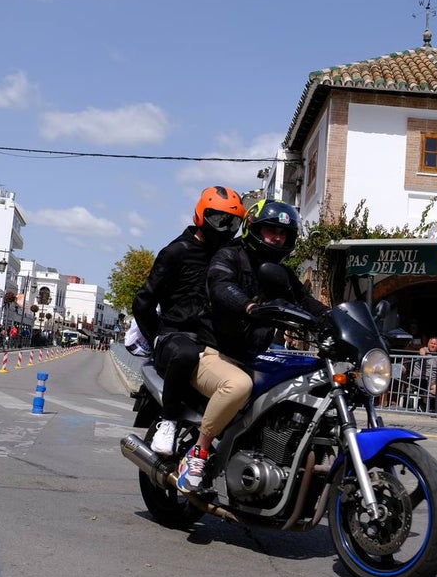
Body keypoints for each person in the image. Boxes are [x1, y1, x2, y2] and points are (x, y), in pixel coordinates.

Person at [204, 199, 329, 490]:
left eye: (283, 233)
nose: (277, 237)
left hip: (253, 355)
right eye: (271, 229)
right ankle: (200, 451)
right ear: (253, 229)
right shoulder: (230, 255)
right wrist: (248, 306)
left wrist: (339, 318)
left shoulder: (279, 272)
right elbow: (220, 285)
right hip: (217, 351)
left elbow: (305, 301)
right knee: (239, 387)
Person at [131, 185, 250, 484]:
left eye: (232, 223)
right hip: (176, 335)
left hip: (212, 339)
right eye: (218, 219)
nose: (224, 228)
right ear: (201, 215)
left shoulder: (228, 255)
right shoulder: (176, 252)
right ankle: (168, 421)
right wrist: (155, 337)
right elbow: (143, 301)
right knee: (184, 353)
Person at [415, 336, 437, 412]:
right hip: (422, 379)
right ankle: (424, 403)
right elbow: (421, 351)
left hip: (435, 380)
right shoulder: (425, 350)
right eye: (431, 343)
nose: (433, 345)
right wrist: (422, 351)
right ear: (428, 344)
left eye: (435, 344)